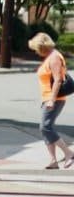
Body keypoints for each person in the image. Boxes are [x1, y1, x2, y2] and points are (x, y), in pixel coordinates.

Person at [27, 32, 74, 168]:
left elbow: (58, 79)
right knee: (47, 127)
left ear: (42, 46)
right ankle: (53, 161)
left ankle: (68, 153)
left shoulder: (54, 57)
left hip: (54, 98)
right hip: (47, 98)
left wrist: (52, 100)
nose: (36, 52)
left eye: (36, 48)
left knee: (45, 127)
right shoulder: (50, 57)